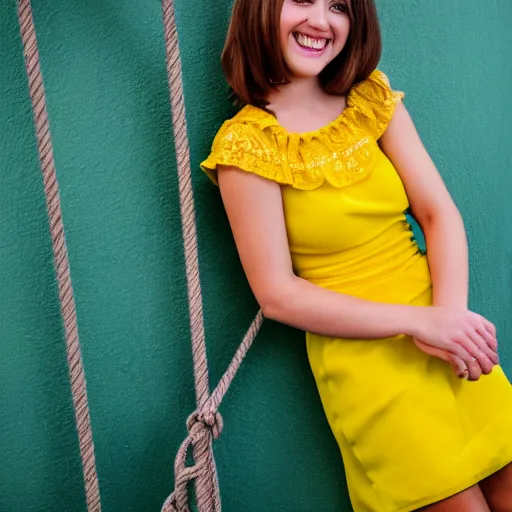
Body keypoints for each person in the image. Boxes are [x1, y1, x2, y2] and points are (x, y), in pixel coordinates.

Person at [200, 0, 512, 510]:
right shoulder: (245, 145)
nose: (321, 20)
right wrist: (418, 323)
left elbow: (438, 214)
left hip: (449, 338)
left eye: (339, 6)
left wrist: (449, 320)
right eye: (302, 0)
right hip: (368, 366)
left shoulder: (370, 98)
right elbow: (278, 295)